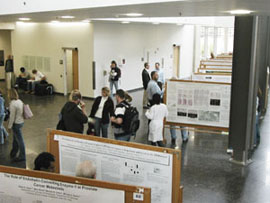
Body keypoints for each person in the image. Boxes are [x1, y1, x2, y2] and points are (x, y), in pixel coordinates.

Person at [8, 88, 25, 162]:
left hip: (16, 124)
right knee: (16, 139)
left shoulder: (12, 104)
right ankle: (13, 152)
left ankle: (22, 156)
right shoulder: (19, 101)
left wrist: (9, 126)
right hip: (21, 122)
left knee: (20, 140)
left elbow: (12, 117)